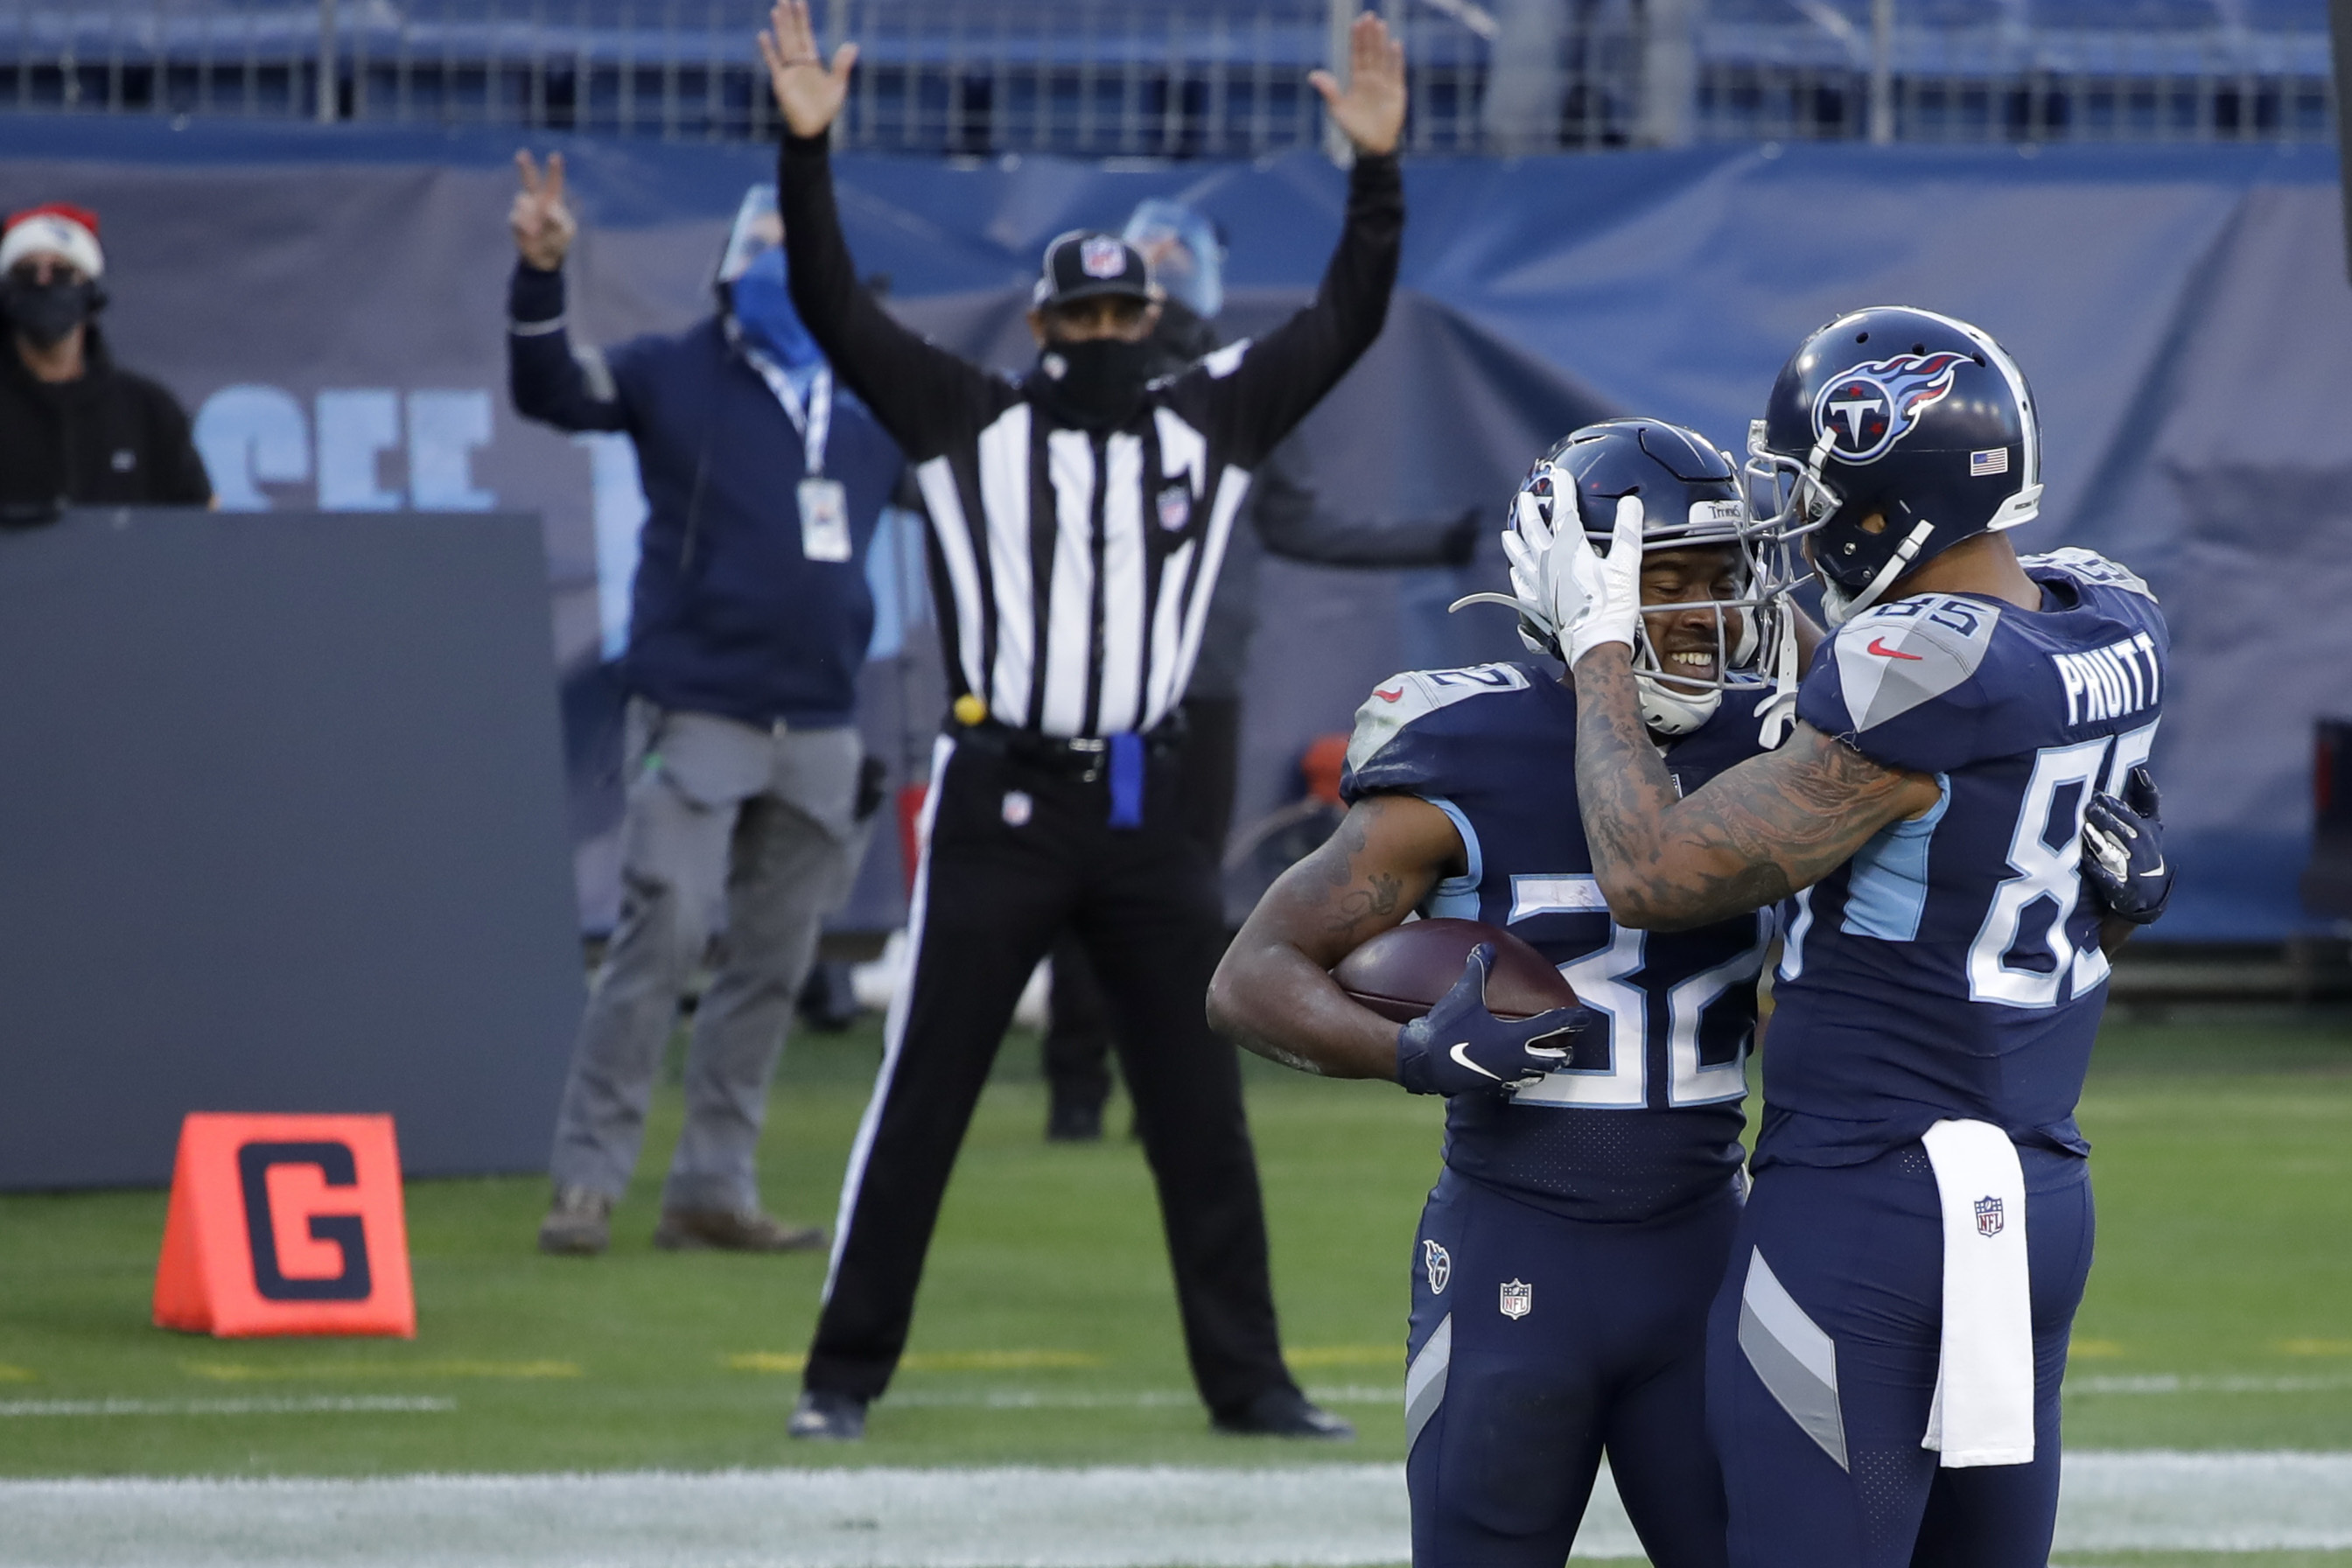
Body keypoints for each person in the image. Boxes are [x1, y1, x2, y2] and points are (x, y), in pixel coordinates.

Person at [760, 0, 1406, 1441]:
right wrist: (805, 155)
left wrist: (1373, 176)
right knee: (921, 1098)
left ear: (1153, 320)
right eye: (1085, 316)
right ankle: (839, 1377)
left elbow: (1344, 319)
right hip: (1000, 797)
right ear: (1043, 325)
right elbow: (830, 304)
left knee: (1201, 1107)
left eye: (1127, 314)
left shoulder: (1212, 420)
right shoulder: (963, 416)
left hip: (1142, 805)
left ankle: (1250, 1382)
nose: (1109, 334)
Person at [1543, 307, 2173, 1567]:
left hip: (1869, 1212)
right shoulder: (2112, 615)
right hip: (2037, 1191)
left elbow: (1655, 873)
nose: (1792, 520)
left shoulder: (1913, 663)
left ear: (1886, 489)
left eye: (1810, 486)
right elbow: (2017, 801)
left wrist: (1599, 648)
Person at [1209, 419, 1804, 1566]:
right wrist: (1410, 1055)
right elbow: (1252, 976)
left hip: (1707, 1248)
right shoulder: (1471, 744)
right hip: (1516, 1258)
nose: (1698, 615)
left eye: (1719, 580)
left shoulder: (1774, 738)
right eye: (1657, 581)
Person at [507, 153, 903, 1256]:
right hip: (700, 707)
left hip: (820, 718)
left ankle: (711, 1184)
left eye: (800, 249)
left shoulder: (868, 395)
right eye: (767, 248)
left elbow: (975, 474)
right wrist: (539, 279)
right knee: (663, 929)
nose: (784, 265)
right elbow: (553, 390)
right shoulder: (674, 372)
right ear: (731, 270)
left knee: (774, 959)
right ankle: (588, 1178)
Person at [1040, 197, 1479, 1143]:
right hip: (1101, 687)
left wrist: (1435, 539)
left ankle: (1171, 1089)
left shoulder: (1235, 393)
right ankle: (1075, 1090)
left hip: (1203, 681)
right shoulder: (1078, 392)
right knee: (1084, 882)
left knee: (1184, 889)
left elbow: (1296, 521)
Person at [0, 202, 211, 522]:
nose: (43, 283)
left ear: (91, 293)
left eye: (62, 273)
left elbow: (200, 525)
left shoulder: (147, 412)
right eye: (26, 273)